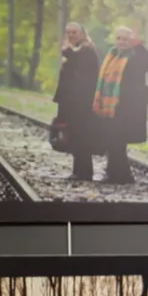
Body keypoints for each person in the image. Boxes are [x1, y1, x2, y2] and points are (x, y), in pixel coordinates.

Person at [92, 26, 148, 184]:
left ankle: (123, 176)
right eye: (118, 38)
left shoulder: (135, 56)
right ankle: (116, 175)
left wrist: (137, 44)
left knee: (117, 142)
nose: (121, 42)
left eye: (125, 39)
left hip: (127, 108)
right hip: (110, 107)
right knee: (112, 141)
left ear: (131, 41)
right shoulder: (112, 55)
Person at [52, 22, 100, 180]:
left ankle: (85, 171)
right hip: (70, 101)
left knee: (82, 136)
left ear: (82, 33)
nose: (71, 35)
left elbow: (82, 72)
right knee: (73, 135)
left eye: (74, 32)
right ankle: (78, 171)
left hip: (82, 102)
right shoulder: (75, 51)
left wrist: (67, 52)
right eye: (68, 33)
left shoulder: (87, 50)